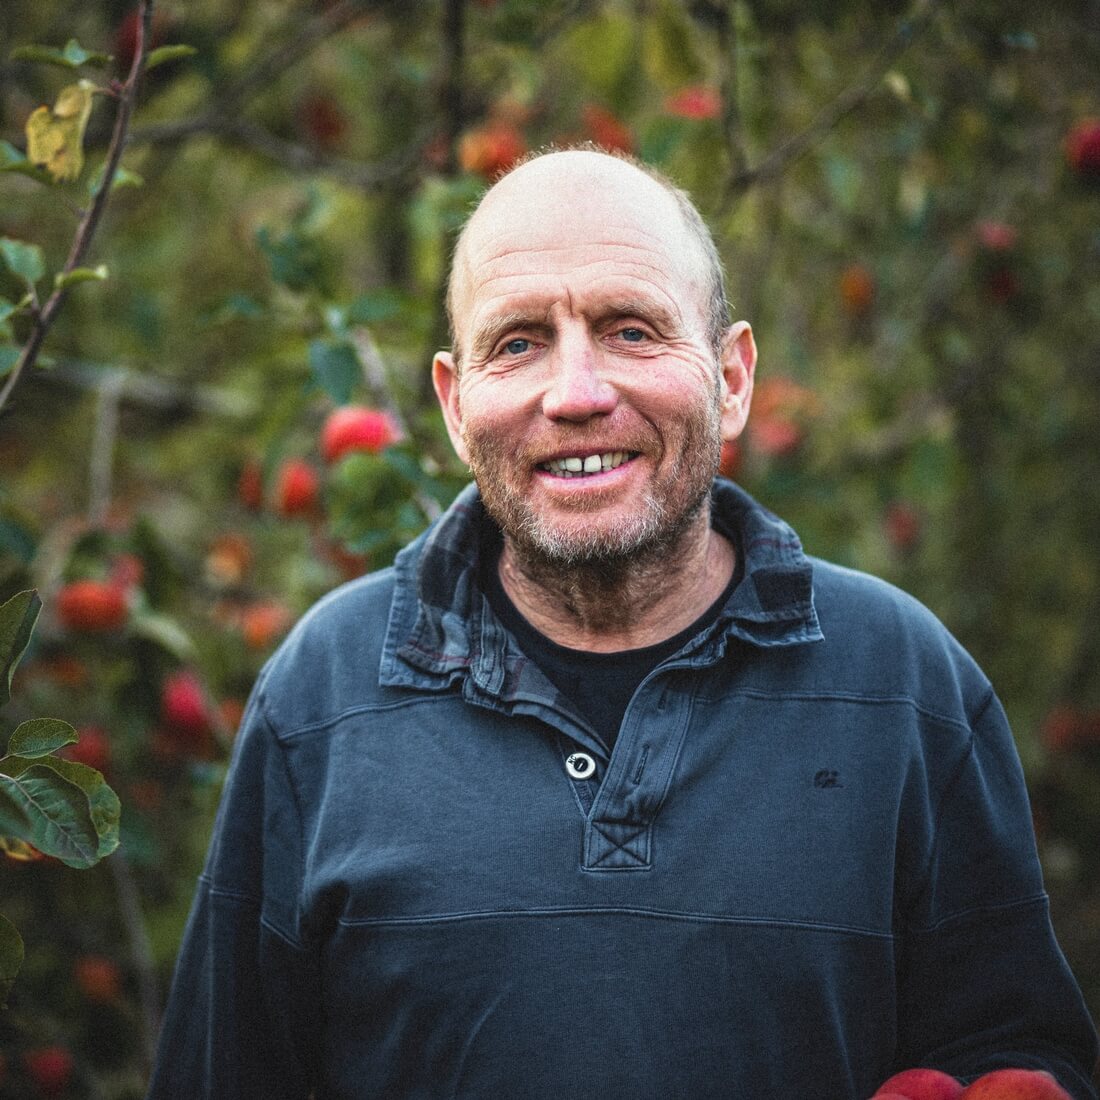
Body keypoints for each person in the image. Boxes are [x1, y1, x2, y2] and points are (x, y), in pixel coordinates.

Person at [147, 148, 1099, 1099]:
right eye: (516, 343)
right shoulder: (322, 694)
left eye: (632, 330)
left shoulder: (905, 683)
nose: (574, 395)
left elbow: (1016, 1054)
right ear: (452, 404)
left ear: (732, 376)